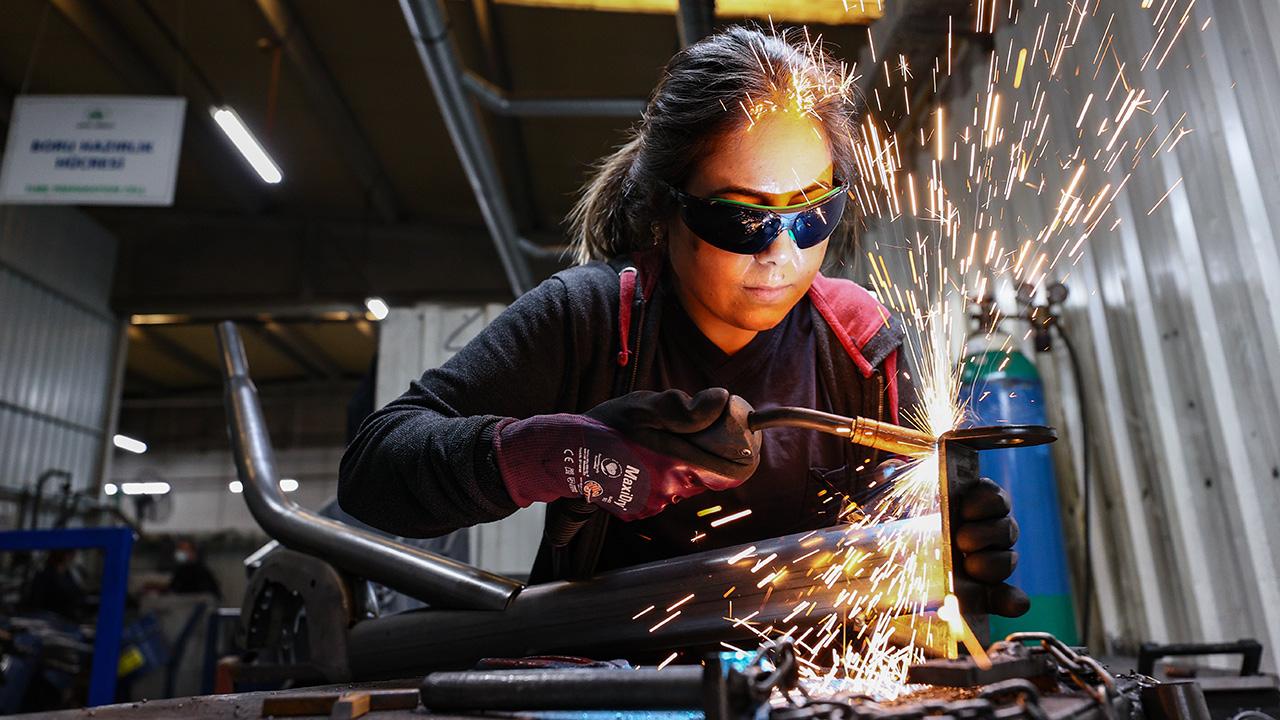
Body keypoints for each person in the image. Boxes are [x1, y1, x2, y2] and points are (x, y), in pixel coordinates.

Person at [339, 26, 1027, 617]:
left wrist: (949, 543)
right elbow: (374, 470)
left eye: (813, 213)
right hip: (612, 684)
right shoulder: (591, 318)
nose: (781, 254)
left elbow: (899, 546)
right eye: (741, 216)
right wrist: (558, 456)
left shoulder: (862, 342)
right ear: (665, 210)